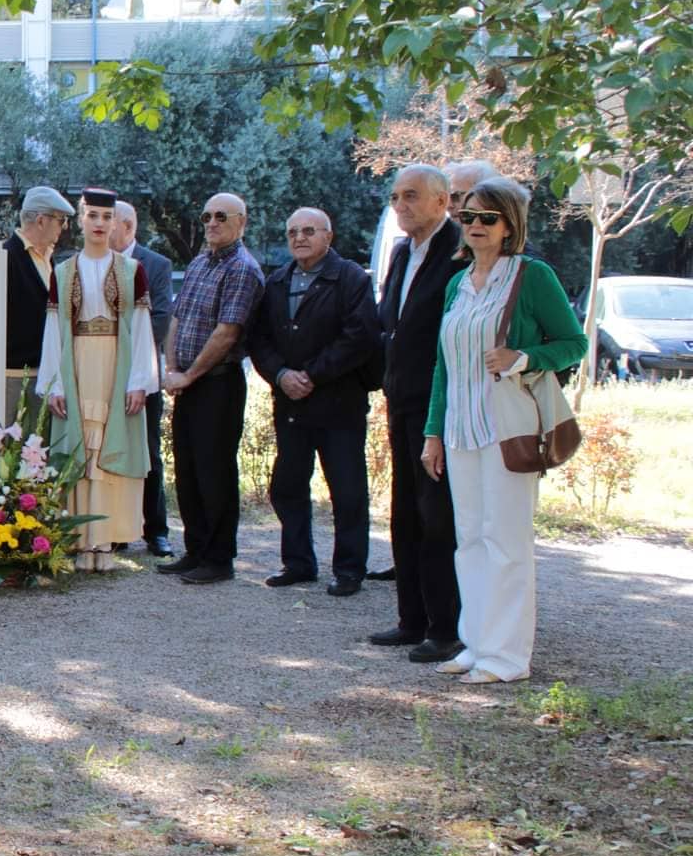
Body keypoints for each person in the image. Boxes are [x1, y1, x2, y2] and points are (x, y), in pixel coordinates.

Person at [420, 177, 584, 683]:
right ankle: (478, 642)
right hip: (460, 428)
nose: (474, 227)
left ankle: (508, 658)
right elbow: (444, 367)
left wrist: (523, 357)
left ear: (510, 224)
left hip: (507, 427)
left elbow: (572, 343)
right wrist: (433, 432)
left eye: (486, 218)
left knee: (506, 542)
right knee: (469, 539)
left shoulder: (531, 277)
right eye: (467, 217)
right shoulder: (457, 282)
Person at [247, 207, 383, 596]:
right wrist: (280, 375)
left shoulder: (351, 278)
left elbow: (360, 336)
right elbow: (259, 340)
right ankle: (298, 563)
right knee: (287, 485)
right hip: (290, 404)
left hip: (339, 403)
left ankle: (349, 569)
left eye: (309, 231)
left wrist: (312, 375)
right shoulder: (276, 282)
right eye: (292, 232)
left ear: (329, 235)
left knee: (347, 489)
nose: (299, 238)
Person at [370, 164, 467, 662]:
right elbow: (391, 323)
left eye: (411, 196)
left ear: (440, 201)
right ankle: (410, 620)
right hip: (400, 400)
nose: (400, 205)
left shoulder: (460, 252)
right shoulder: (403, 252)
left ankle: (445, 627)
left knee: (436, 516)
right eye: (394, 197)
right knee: (404, 514)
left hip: (440, 405)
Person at [35, 188, 157, 571]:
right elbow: (53, 331)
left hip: (115, 367)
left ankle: (103, 540)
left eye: (107, 217)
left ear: (116, 223)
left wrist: (140, 380)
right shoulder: (62, 271)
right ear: (81, 221)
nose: (100, 224)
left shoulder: (131, 271)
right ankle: (76, 538)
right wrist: (54, 383)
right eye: (93, 216)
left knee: (108, 447)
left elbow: (140, 327)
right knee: (80, 449)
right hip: (76, 367)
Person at [160, 192, 265, 585]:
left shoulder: (242, 269)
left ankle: (219, 558)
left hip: (217, 384)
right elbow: (178, 317)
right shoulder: (201, 261)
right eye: (206, 216)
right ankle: (196, 549)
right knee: (186, 469)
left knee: (213, 471)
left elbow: (226, 333)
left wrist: (188, 376)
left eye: (222, 216)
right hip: (186, 381)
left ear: (242, 222)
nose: (212, 223)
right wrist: (171, 368)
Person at [110, 200, 175, 556]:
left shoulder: (157, 265)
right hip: (101, 378)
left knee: (148, 452)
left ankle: (156, 530)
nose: (101, 227)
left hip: (142, 376)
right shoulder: (95, 264)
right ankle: (116, 527)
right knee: (109, 452)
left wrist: (118, 350)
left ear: (129, 226)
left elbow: (161, 320)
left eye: (109, 221)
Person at [3, 187, 76, 422]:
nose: (64, 227)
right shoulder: (5, 257)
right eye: (61, 220)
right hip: (14, 377)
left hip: (48, 377)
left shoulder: (49, 258)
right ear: (41, 220)